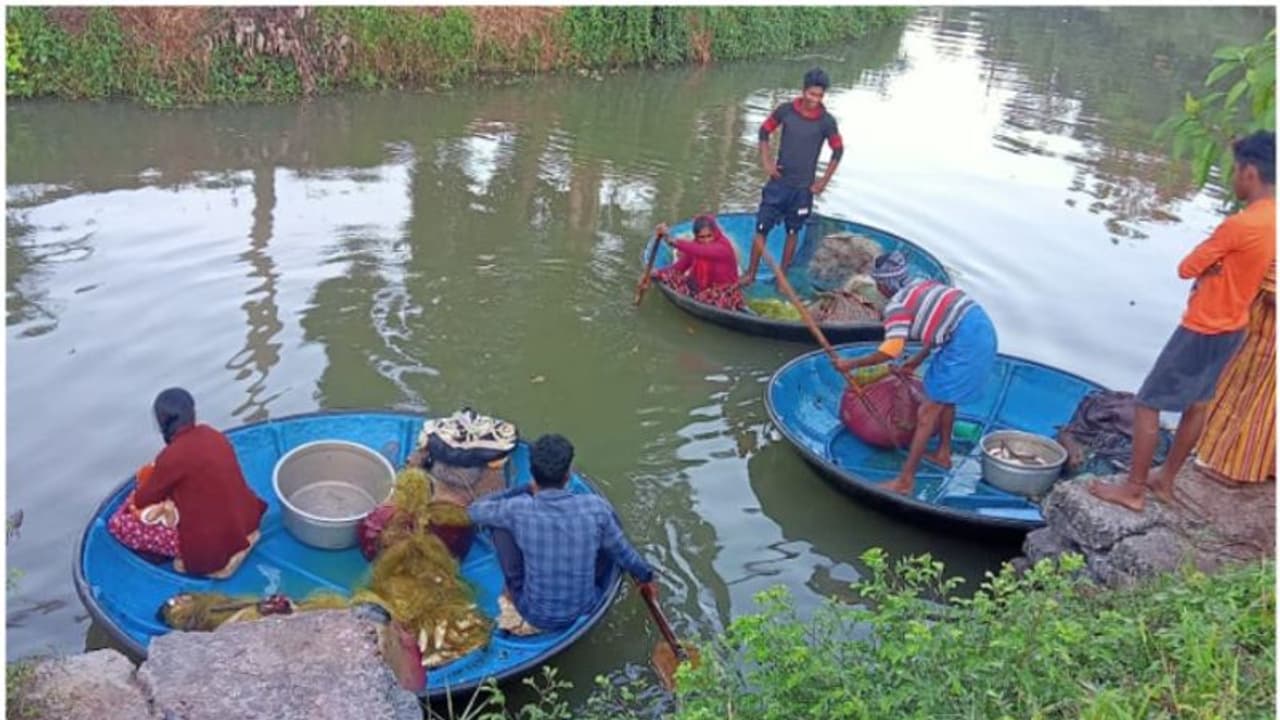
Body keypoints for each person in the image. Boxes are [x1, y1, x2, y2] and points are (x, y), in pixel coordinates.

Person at [1091, 130, 1276, 511]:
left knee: (1147, 403)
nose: (1233, 179)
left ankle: (1134, 489)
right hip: (1235, 326)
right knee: (1199, 403)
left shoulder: (1240, 225)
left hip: (1204, 325)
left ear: (1250, 173)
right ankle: (1166, 480)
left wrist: (1212, 268)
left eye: (1235, 171)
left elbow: (1187, 266)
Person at [834, 251, 998, 494]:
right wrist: (915, 360)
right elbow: (937, 327)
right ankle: (943, 453)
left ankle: (904, 482)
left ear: (884, 284)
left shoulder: (897, 306)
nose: (878, 288)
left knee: (926, 413)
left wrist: (852, 364)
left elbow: (891, 349)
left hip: (967, 341)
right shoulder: (920, 284)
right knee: (945, 397)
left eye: (878, 283)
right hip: (978, 327)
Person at [467, 434, 657, 635]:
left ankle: (513, 591)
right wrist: (646, 577)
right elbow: (624, 553)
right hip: (587, 605)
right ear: (568, 475)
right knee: (606, 532)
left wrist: (523, 489)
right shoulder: (595, 507)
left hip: (535, 614)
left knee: (499, 526)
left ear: (532, 473)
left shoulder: (517, 509)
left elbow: (475, 510)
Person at [109, 388, 267, 577]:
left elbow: (143, 499)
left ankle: (196, 559)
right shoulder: (213, 435)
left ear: (162, 423)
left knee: (118, 524)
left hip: (211, 547)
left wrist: (148, 482)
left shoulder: (171, 457)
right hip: (246, 521)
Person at [742, 67, 844, 286]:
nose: (814, 99)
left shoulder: (826, 122)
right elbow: (764, 131)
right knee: (761, 228)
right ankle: (750, 274)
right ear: (803, 90)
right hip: (779, 183)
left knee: (793, 231)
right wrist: (767, 162)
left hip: (803, 190)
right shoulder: (786, 111)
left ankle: (782, 277)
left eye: (819, 96)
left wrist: (823, 181)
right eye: (811, 94)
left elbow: (838, 150)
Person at [1195, 262, 1275, 484]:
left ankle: (1230, 466)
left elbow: (1272, 293)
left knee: (1249, 394)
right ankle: (1267, 462)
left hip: (1268, 332)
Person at [651, 214, 744, 310]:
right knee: (670, 277)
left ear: (715, 233)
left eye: (709, 236)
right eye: (702, 237)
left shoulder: (723, 247)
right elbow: (680, 267)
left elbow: (703, 251)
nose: (706, 240)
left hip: (724, 293)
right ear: (696, 236)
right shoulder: (695, 246)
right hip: (701, 289)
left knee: (707, 297)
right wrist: (658, 273)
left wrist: (672, 241)